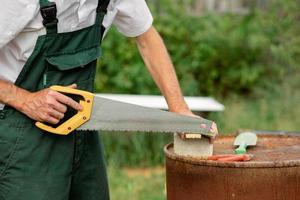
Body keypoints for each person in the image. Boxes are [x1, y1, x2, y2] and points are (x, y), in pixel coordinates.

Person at [0, 0, 218, 199]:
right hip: (22, 136)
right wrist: (24, 99)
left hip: (81, 128)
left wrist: (178, 109)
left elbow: (146, 38)